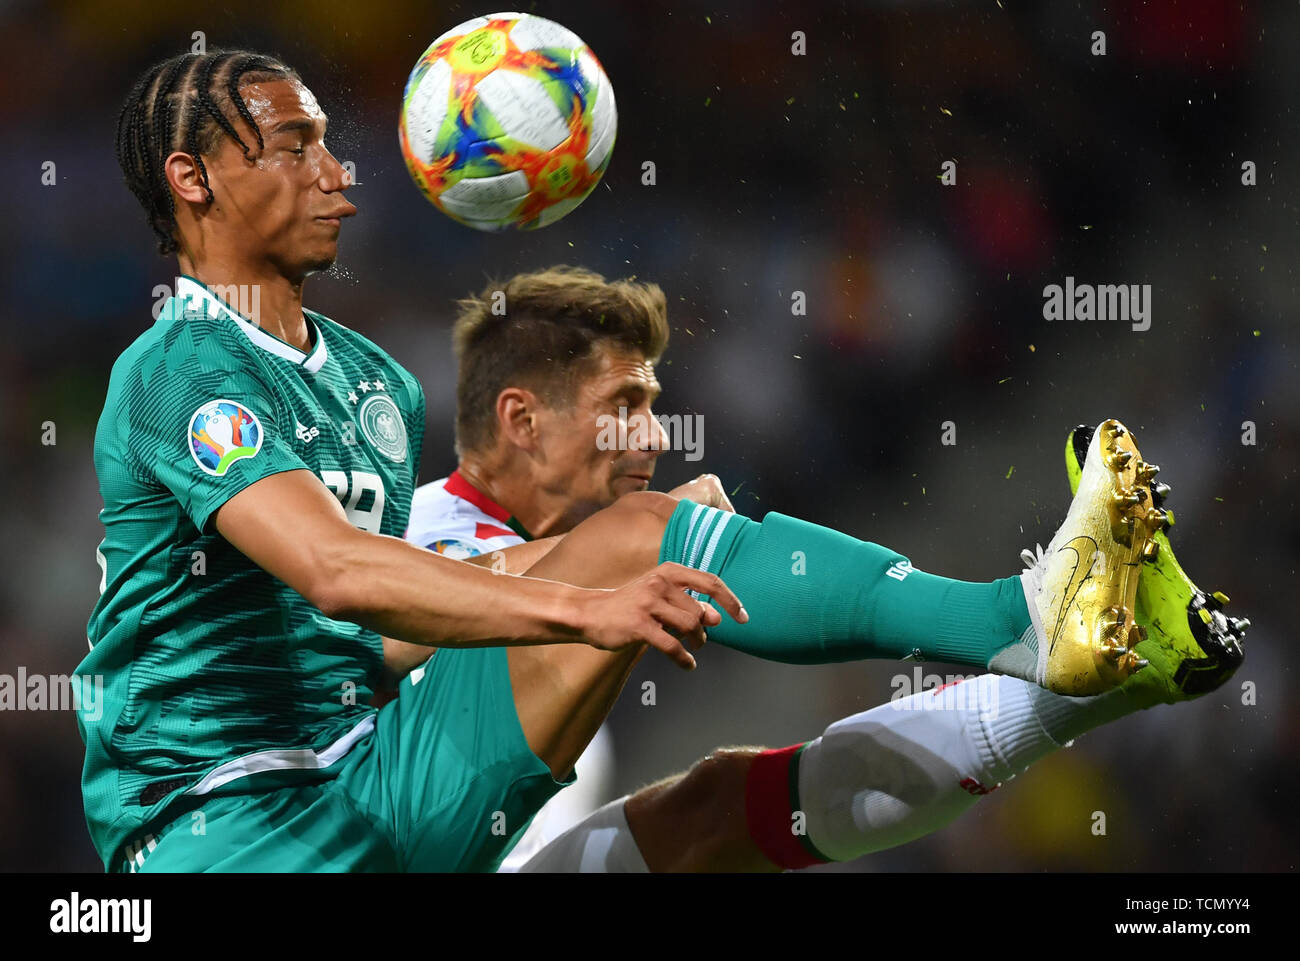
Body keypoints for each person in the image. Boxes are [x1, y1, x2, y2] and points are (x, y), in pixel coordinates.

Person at [88, 50, 1167, 873]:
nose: (337, 171)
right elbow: (333, 570)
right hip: (221, 824)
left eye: (330, 140)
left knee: (691, 736)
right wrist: (586, 601)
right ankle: (1020, 627)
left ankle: (1064, 652)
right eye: (293, 146)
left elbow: (360, 636)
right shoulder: (178, 371)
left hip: (361, 772)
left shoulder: (370, 381)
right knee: (650, 623)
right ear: (193, 179)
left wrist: (584, 558)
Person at [395, 266, 1248, 872]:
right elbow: (389, 625)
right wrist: (640, 536)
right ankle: (1019, 619)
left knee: (723, 802)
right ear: (522, 420)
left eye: (654, 409)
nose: (654, 440)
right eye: (625, 410)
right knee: (649, 534)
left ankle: (1106, 678)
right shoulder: (421, 526)